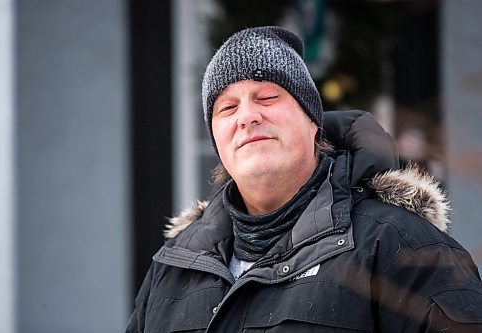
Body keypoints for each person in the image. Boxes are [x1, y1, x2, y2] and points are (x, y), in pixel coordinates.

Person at [126, 26, 482, 332]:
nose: (247, 117)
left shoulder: (399, 244)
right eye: (227, 108)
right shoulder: (173, 265)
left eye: (267, 96)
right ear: (217, 141)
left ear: (313, 122)